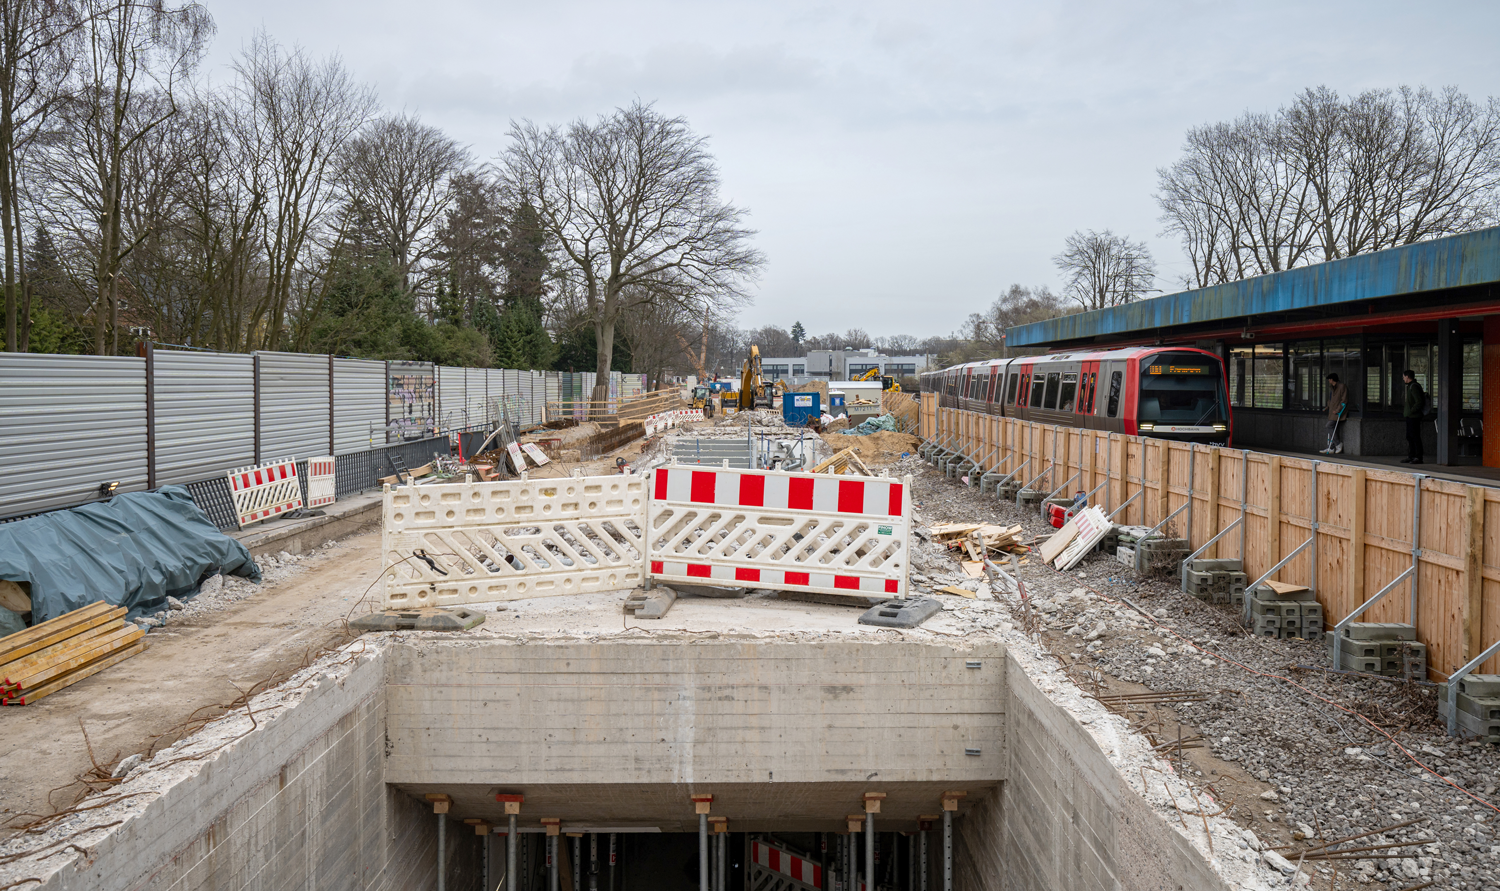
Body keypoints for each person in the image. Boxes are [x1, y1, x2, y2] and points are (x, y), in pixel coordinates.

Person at [1402, 369, 1426, 464]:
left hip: (1414, 416)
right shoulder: (1411, 386)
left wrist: (1411, 411)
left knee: (1415, 436)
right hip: (1410, 416)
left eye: (1404, 377)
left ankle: (1418, 456)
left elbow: (1419, 401)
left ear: (1407, 377)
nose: (1403, 379)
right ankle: (1411, 455)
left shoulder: (1414, 387)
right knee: (1410, 436)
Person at [1320, 373, 1349, 455]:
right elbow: (1331, 400)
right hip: (1332, 411)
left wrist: (1338, 410)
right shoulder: (1332, 388)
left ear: (1332, 379)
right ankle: (1331, 447)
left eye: (1329, 379)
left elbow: (1344, 400)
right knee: (1332, 428)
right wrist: (1327, 407)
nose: (1329, 381)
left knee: (1329, 426)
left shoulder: (1342, 386)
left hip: (1338, 412)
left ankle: (1338, 444)